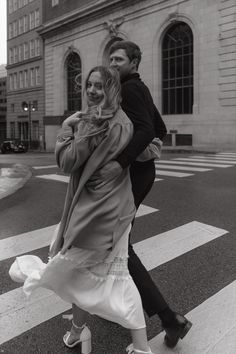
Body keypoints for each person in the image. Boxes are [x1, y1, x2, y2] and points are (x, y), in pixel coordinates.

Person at [9, 66, 154, 354]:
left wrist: (66, 128)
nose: (91, 91)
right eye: (89, 85)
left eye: (99, 86)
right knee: (89, 276)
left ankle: (141, 347)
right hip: (116, 210)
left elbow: (67, 162)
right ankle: (78, 332)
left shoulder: (94, 121)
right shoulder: (123, 119)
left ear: (111, 88)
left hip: (95, 214)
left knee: (107, 279)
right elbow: (142, 146)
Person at [88, 40, 192, 348]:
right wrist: (147, 150)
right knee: (117, 244)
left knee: (119, 246)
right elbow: (158, 128)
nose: (113, 63)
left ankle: (168, 317)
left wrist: (119, 162)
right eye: (111, 58)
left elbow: (148, 129)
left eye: (119, 59)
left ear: (134, 62)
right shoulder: (136, 87)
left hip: (132, 176)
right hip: (141, 174)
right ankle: (124, 306)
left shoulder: (130, 89)